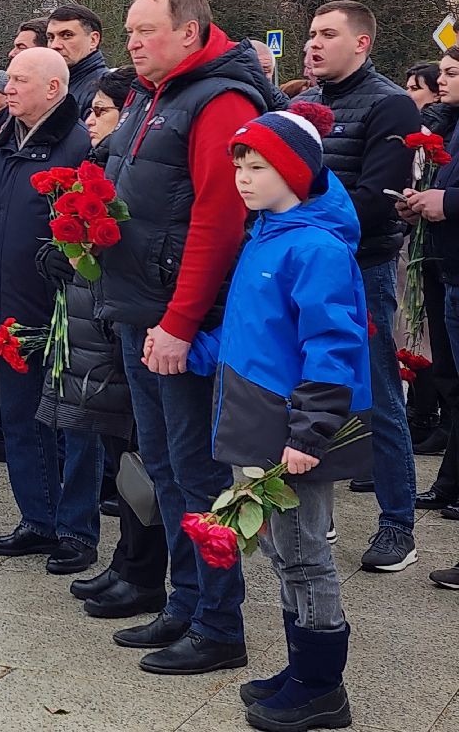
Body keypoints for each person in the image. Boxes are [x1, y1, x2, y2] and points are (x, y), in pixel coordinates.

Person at [94, 0, 269, 675]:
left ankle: (220, 625)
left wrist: (178, 322)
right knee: (163, 465)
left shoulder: (219, 100)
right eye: (130, 31)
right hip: (142, 311)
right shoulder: (154, 95)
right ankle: (186, 599)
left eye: (147, 30)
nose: (133, 42)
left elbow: (217, 222)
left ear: (192, 34)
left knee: (197, 474)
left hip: (182, 323)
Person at [220, 103, 371, 732]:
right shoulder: (265, 236)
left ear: (294, 172)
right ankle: (299, 666)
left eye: (259, 166)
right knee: (283, 553)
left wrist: (312, 430)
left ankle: (322, 686)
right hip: (261, 420)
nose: (244, 178)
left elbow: (332, 345)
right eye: (240, 166)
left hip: (296, 430)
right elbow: (254, 332)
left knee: (308, 553)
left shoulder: (315, 249)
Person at [295, 0, 420, 572]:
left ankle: (398, 523)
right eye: (312, 34)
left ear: (362, 44)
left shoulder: (391, 105)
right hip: (302, 268)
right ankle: (316, 513)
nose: (314, 44)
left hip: (358, 268)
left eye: (328, 35)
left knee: (375, 395)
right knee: (310, 395)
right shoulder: (305, 104)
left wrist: (307, 231)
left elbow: (378, 197)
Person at [0, 47, 103, 575]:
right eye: (9, 79)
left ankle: (76, 529)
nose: (9, 88)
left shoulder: (77, 147)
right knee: (23, 420)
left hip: (62, 310)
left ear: (53, 89)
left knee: (73, 425)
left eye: (21, 81)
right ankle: (37, 518)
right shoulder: (6, 143)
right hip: (7, 306)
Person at [53, 66, 170, 619]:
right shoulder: (102, 163)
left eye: (100, 111)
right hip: (101, 323)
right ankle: (127, 560)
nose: (90, 120)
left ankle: (146, 570)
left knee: (143, 451)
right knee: (119, 446)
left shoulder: (131, 172)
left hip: (128, 320)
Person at [403, 47, 459, 586]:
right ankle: (450, 481)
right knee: (449, 376)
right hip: (448, 268)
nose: (440, 82)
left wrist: (449, 202)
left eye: (450, 73)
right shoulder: (452, 121)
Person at [47, 4, 109, 113]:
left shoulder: (104, 90)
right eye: (51, 37)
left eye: (67, 35)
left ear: (93, 40)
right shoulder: (49, 85)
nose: (54, 45)